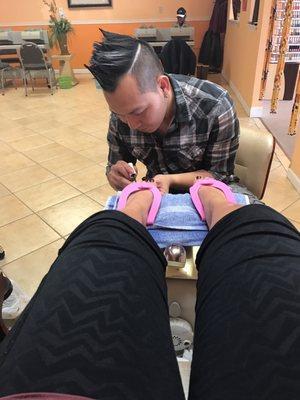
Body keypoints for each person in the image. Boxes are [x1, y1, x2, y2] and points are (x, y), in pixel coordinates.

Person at [0, 178, 299, 399]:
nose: (132, 120)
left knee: (106, 236)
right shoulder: (124, 127)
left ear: (162, 87)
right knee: (257, 234)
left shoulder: (213, 107)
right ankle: (217, 205)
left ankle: (137, 210)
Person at [86, 30, 244, 197]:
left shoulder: (215, 106)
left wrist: (171, 180)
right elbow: (115, 165)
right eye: (118, 113)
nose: (131, 124)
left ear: (163, 86)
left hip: (210, 194)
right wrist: (115, 175)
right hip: (156, 194)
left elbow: (219, 177)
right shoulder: (122, 116)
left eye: (138, 111)